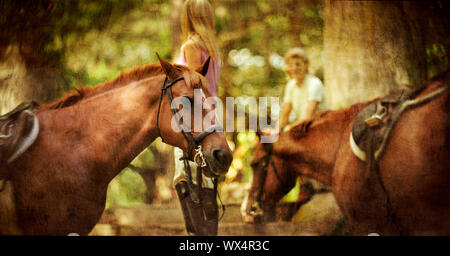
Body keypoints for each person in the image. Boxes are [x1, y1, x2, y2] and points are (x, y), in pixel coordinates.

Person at [173, 0, 222, 236]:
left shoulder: (191, 45)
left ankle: (198, 237)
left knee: (186, 175)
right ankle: (208, 235)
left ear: (189, 16)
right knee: (208, 177)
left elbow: (196, 84)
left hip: (194, 115)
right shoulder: (212, 47)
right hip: (212, 113)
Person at [278, 47, 328, 202]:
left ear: (306, 65)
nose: (294, 68)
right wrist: (275, 130)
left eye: (298, 64)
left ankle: (308, 186)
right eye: (291, 65)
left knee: (295, 144)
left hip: (321, 127)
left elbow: (308, 116)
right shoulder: (291, 86)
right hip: (304, 127)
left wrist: (287, 129)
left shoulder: (314, 84)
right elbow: (285, 113)